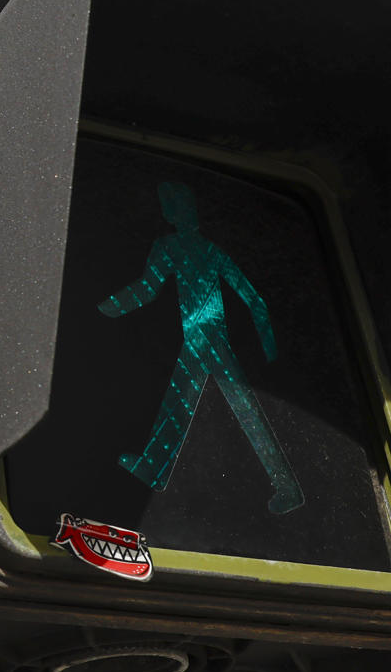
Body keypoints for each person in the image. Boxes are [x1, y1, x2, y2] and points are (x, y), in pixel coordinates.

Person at [99, 182, 304, 514]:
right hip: (202, 337)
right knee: (182, 403)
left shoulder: (180, 248)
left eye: (182, 205)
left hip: (206, 338)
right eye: (180, 206)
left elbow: (148, 289)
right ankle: (154, 466)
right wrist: (269, 351)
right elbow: (256, 302)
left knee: (241, 411)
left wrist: (109, 307)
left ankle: (286, 487)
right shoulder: (202, 249)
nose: (184, 212)